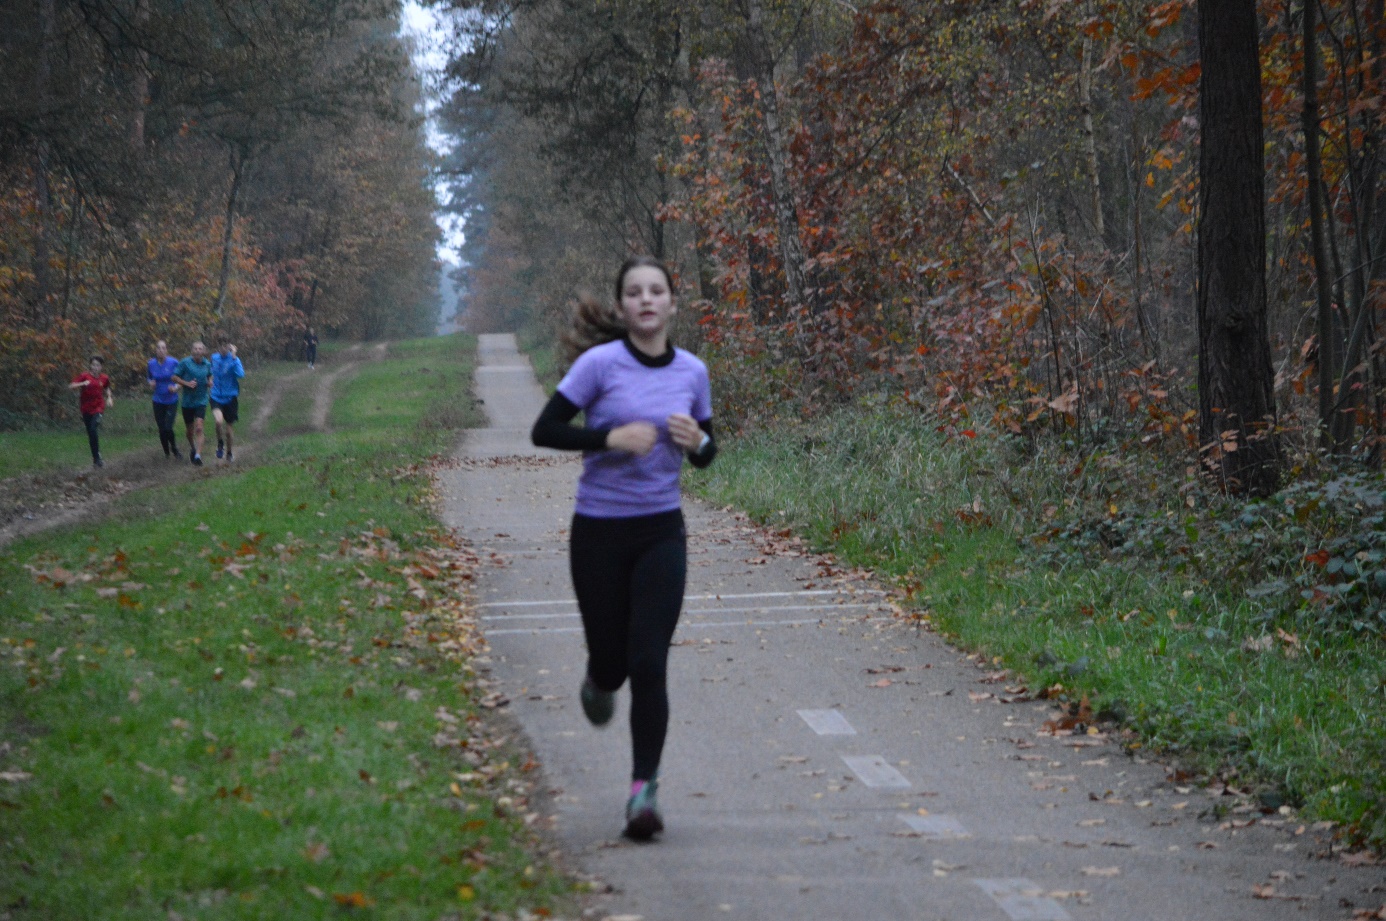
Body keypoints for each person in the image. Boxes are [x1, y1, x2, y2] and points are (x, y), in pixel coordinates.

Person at [530, 256, 717, 841]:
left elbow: (711, 449)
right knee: (612, 667)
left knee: (649, 662)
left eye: (656, 291)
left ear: (671, 304)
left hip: (661, 532)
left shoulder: (693, 371)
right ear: (621, 308)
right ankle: (595, 680)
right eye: (634, 292)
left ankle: (644, 793)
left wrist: (699, 442)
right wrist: (607, 437)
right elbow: (546, 429)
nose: (645, 300)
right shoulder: (597, 366)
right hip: (599, 533)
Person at [68, 355, 114, 468]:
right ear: (90, 365)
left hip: (98, 408)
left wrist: (109, 397)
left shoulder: (104, 378)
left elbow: (107, 387)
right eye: (93, 365)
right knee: (91, 433)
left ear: (101, 367)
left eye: (97, 365)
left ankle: (98, 459)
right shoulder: (84, 376)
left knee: (94, 428)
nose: (95, 367)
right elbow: (71, 386)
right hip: (85, 409)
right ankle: (96, 458)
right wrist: (82, 384)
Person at [171, 341, 212, 466]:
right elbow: (174, 377)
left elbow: (210, 376)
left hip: (201, 400)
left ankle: (198, 456)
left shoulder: (207, 364)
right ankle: (193, 448)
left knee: (199, 427)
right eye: (195, 349)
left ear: (204, 351)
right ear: (192, 351)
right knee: (189, 431)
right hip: (188, 402)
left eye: (200, 349)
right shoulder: (185, 363)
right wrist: (186, 383)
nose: (198, 351)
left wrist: (210, 382)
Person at [209, 335, 244, 462]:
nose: (223, 348)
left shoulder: (234, 359)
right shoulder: (214, 358)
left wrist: (234, 358)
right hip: (216, 396)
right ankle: (220, 444)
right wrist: (209, 380)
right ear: (217, 347)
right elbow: (210, 372)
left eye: (225, 345)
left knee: (229, 431)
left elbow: (241, 374)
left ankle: (229, 453)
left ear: (229, 347)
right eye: (220, 346)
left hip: (230, 397)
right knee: (218, 421)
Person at [147, 340, 182, 459]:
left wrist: (176, 387)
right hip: (157, 400)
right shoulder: (151, 364)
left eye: (163, 348)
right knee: (161, 428)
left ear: (166, 350)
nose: (161, 350)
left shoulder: (173, 362)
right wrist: (150, 384)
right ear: (155, 350)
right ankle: (166, 451)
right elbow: (149, 378)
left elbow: (181, 379)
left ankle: (174, 449)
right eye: (158, 348)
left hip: (171, 399)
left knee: (168, 427)